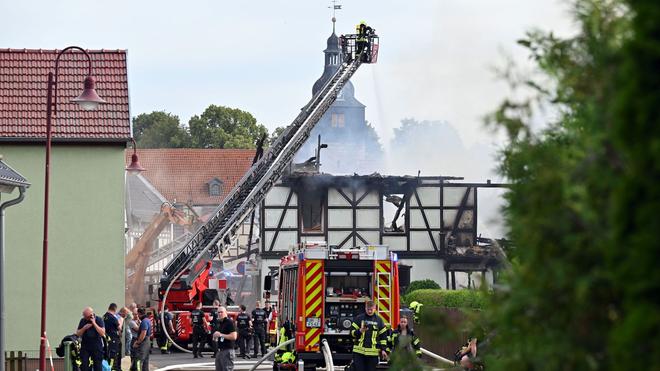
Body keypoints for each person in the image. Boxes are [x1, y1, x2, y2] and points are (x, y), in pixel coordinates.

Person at [350, 301, 388, 371]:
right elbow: (351, 333)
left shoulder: (379, 320)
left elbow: (383, 337)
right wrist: (359, 331)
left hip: (373, 354)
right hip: (359, 353)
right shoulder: (359, 318)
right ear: (365, 308)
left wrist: (383, 350)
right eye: (368, 309)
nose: (370, 311)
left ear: (375, 309)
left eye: (371, 309)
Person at [76, 307, 106, 371]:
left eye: (86, 316)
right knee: (84, 366)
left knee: (97, 366)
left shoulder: (99, 320)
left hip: (96, 346)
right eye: (84, 316)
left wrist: (94, 323)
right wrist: (84, 328)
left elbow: (102, 333)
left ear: (90, 315)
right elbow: (78, 334)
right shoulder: (83, 321)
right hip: (85, 346)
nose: (85, 318)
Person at [212, 306, 238, 371]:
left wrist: (220, 335)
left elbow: (234, 336)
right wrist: (216, 337)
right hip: (220, 351)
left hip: (227, 351)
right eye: (218, 312)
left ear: (226, 312)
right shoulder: (221, 323)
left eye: (221, 312)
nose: (220, 314)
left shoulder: (229, 322)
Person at [103, 303, 122, 370]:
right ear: (115, 309)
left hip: (106, 339)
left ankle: (109, 368)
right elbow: (119, 328)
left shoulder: (104, 316)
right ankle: (112, 369)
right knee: (113, 356)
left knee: (108, 355)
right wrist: (121, 320)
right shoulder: (113, 318)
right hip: (113, 339)